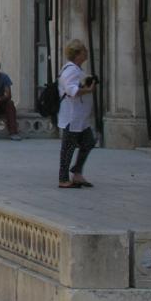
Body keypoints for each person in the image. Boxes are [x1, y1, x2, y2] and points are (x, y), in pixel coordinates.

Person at [58, 40, 97, 189]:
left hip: (81, 118)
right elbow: (71, 90)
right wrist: (88, 90)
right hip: (72, 117)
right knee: (68, 148)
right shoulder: (71, 70)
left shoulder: (77, 69)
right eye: (84, 51)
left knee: (88, 142)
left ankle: (77, 172)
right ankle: (63, 179)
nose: (86, 53)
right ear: (78, 54)